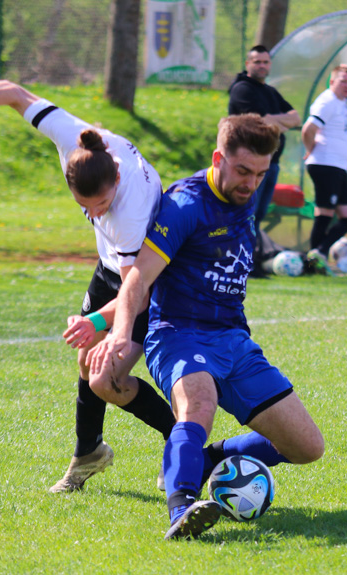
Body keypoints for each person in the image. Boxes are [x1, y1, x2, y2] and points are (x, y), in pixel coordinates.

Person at [0, 81, 177, 493]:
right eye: (85, 206)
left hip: (147, 276)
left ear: (116, 178)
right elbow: (14, 93)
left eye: (102, 205)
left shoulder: (129, 212)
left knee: (104, 377)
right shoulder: (76, 142)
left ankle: (178, 437)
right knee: (85, 363)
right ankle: (89, 452)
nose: (94, 213)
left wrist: (98, 321)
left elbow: (137, 289)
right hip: (112, 269)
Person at [86, 114, 325, 540]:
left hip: (233, 338)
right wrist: (121, 333)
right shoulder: (185, 204)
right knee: (198, 403)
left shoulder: (245, 193)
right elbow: (138, 277)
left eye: (261, 173)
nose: (251, 183)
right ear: (219, 158)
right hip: (178, 333)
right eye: (243, 171)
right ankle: (181, 508)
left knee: (307, 447)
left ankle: (206, 455)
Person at [227, 44, 301, 274]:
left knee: (257, 216)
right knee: (246, 215)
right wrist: (278, 122)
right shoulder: (242, 90)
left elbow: (296, 118)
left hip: (271, 164)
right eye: (257, 61)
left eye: (265, 62)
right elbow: (261, 123)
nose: (262, 66)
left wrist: (273, 119)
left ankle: (251, 262)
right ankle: (237, 263)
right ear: (248, 64)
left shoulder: (269, 92)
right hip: (249, 166)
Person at [301, 64, 347, 271]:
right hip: (326, 164)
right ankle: (315, 259)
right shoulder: (327, 101)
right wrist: (311, 149)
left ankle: (319, 253)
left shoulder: (343, 100)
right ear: (332, 81)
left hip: (338, 167)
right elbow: (308, 129)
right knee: (324, 214)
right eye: (343, 81)